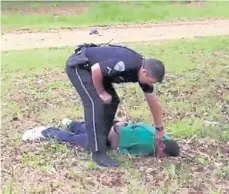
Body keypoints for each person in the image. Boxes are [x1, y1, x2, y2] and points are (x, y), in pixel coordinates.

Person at [65, 43, 166, 167]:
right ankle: (98, 153)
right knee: (95, 102)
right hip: (80, 67)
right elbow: (96, 69)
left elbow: (152, 101)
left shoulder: (142, 73)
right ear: (144, 72)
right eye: (151, 81)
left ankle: (99, 137)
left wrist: (159, 128)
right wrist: (101, 92)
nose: (150, 84)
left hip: (98, 73)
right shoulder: (128, 63)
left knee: (112, 101)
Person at [22, 117, 180, 158]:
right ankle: (45, 132)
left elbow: (139, 125)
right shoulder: (148, 147)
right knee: (79, 140)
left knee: (88, 129)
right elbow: (125, 149)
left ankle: (71, 124)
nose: (160, 156)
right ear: (162, 147)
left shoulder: (161, 134)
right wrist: (119, 150)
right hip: (110, 137)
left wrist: (122, 123)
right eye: (162, 154)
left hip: (112, 126)